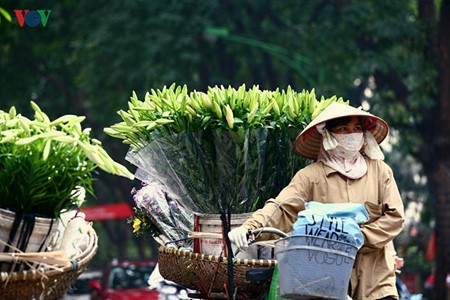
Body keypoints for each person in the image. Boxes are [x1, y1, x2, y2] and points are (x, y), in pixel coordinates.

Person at [228, 102, 405, 300]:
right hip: (327, 283)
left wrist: (358, 236)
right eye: (344, 129)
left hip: (377, 284)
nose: (352, 134)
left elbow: (395, 217)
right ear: (329, 136)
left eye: (357, 128)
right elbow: (280, 207)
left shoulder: (380, 172)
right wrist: (249, 227)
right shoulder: (310, 176)